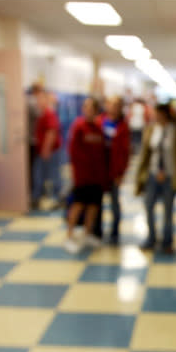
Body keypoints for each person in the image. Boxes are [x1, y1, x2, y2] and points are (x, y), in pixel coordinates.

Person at [135, 103, 176, 254]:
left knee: (168, 210)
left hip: (170, 176)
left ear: (165, 115)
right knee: (148, 206)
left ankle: (167, 242)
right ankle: (151, 238)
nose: (155, 117)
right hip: (152, 175)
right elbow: (145, 154)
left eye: (158, 114)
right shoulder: (151, 130)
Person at [65, 98, 107, 253]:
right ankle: (69, 236)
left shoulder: (98, 128)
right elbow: (73, 152)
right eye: (86, 108)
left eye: (92, 108)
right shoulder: (78, 127)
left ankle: (87, 234)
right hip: (82, 176)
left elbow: (102, 153)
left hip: (97, 177)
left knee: (93, 206)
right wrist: (77, 174)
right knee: (78, 204)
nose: (89, 111)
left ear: (96, 111)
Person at [97, 95, 131, 243]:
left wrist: (121, 173)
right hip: (99, 171)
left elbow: (125, 152)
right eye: (110, 104)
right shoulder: (99, 122)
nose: (112, 108)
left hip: (114, 171)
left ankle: (114, 232)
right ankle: (95, 231)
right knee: (96, 203)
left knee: (114, 203)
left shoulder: (122, 126)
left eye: (116, 105)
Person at [31, 91, 62, 208]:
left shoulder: (49, 114)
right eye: (37, 100)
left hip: (50, 151)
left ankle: (57, 198)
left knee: (53, 175)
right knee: (40, 174)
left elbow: (51, 132)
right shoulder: (42, 114)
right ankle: (38, 197)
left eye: (40, 99)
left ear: (46, 100)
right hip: (43, 151)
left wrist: (46, 150)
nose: (37, 102)